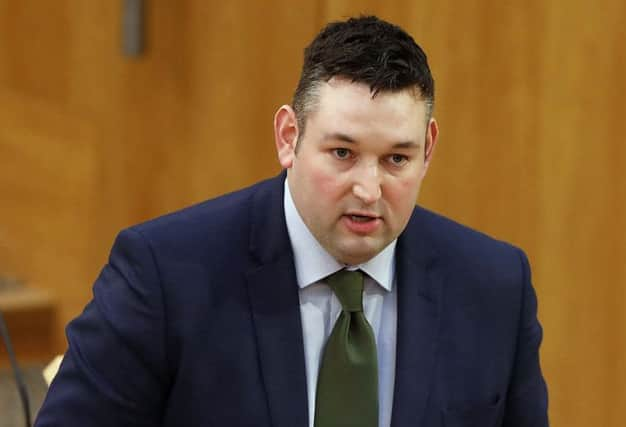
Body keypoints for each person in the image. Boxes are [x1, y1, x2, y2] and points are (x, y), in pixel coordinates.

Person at [35, 15, 548, 427]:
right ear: (289, 137)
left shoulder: (495, 286)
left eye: (397, 159)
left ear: (428, 149)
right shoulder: (165, 274)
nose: (368, 191)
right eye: (342, 152)